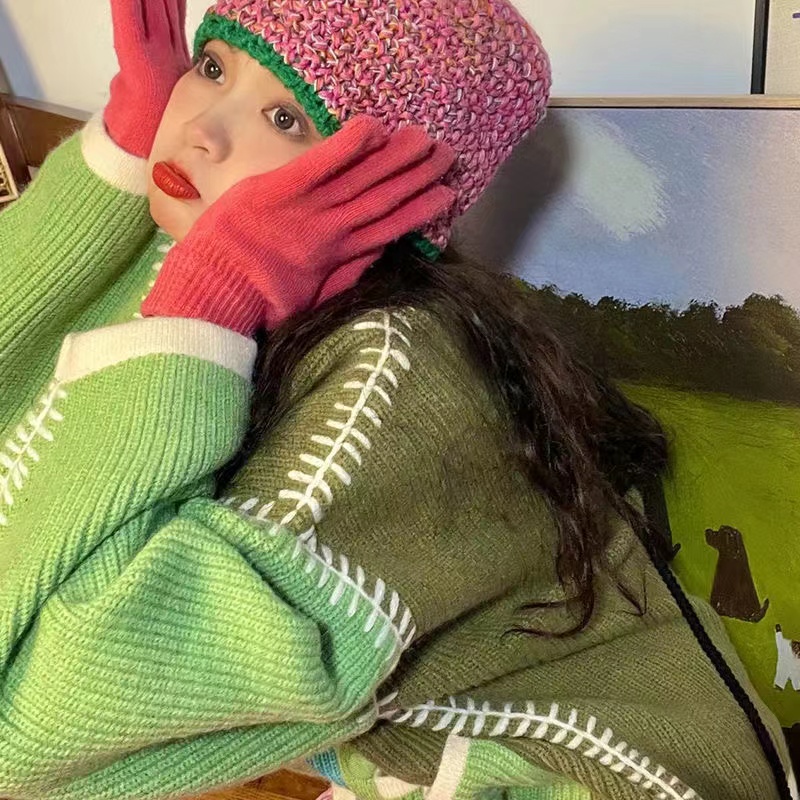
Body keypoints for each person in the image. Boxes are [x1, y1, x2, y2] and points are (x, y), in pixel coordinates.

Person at [0, 0, 795, 798]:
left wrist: (203, 307)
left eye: (286, 116)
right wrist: (115, 164)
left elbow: (26, 733)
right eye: (212, 67)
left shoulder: (392, 381)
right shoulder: (224, 262)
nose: (201, 127)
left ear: (388, 193)